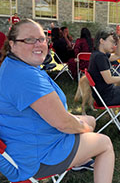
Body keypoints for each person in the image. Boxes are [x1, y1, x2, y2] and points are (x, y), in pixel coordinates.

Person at [0, 19, 114, 183]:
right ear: (13, 44)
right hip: (35, 157)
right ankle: (80, 157)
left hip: (27, 139)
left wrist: (81, 124)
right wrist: (84, 128)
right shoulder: (25, 77)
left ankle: (78, 162)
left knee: (90, 119)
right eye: (29, 40)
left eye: (42, 39)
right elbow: (63, 124)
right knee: (105, 143)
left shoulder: (13, 65)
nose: (38, 44)